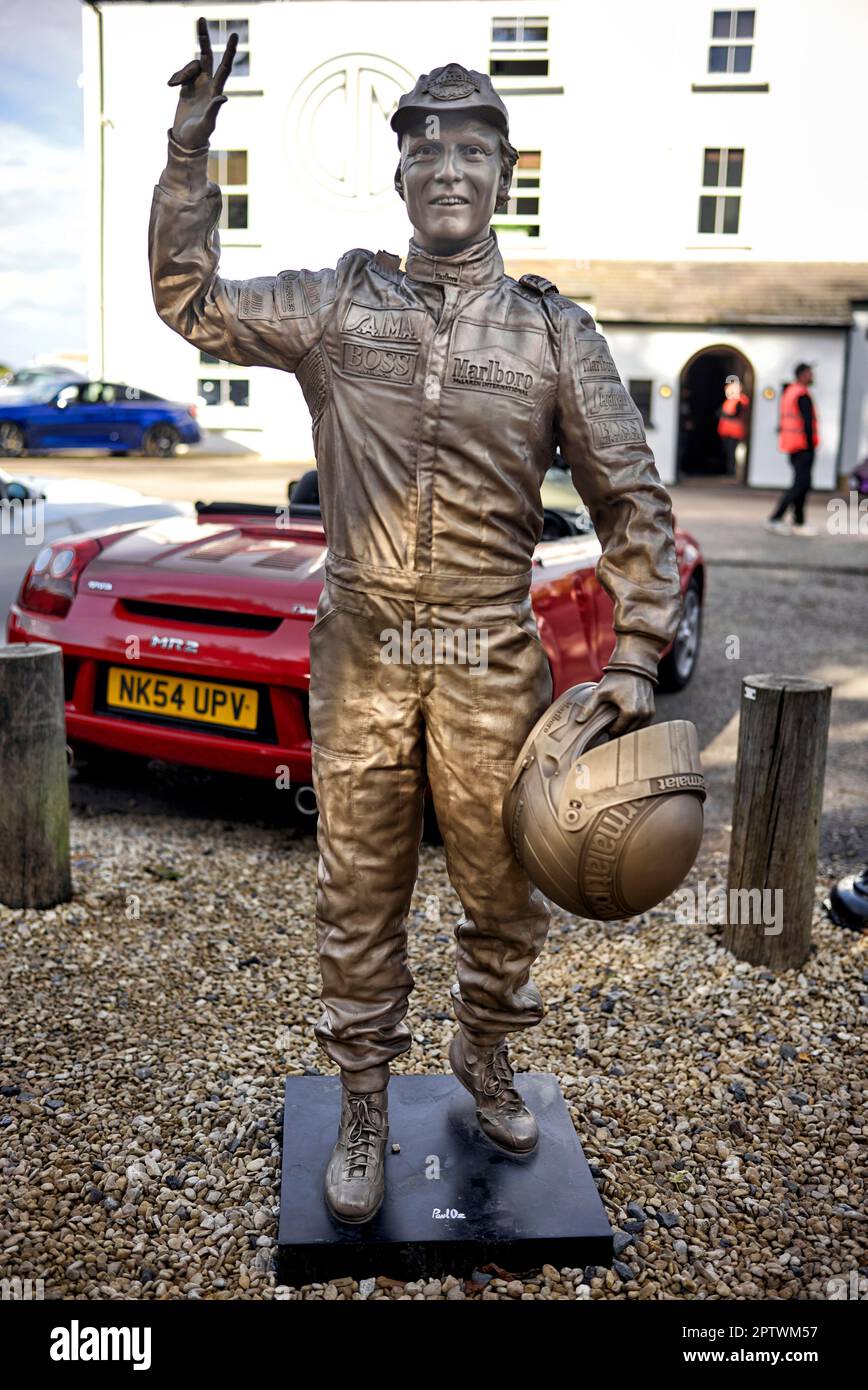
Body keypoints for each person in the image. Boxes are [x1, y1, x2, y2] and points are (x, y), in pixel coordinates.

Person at [149, 23, 683, 1223]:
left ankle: (484, 1050)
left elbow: (630, 497)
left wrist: (640, 649)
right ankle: (362, 1099)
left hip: (492, 648)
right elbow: (190, 299)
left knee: (504, 886)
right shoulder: (337, 304)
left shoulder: (553, 330)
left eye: (471, 150)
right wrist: (190, 146)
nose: (447, 169)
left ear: (504, 173)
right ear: (397, 173)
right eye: (425, 149)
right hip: (365, 644)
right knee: (359, 883)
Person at [766, 363, 820, 536]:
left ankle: (799, 521)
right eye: (810, 374)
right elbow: (807, 422)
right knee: (801, 484)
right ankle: (775, 518)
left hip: (793, 445)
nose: (812, 377)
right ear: (802, 375)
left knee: (802, 484)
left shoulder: (790, 392)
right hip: (803, 446)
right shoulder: (801, 394)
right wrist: (811, 445)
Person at [716, 373, 749, 477]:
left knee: (732, 453)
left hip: (735, 433)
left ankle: (732, 472)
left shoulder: (741, 400)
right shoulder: (729, 401)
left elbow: (736, 413)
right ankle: (729, 471)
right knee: (728, 452)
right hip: (726, 432)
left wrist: (724, 414)